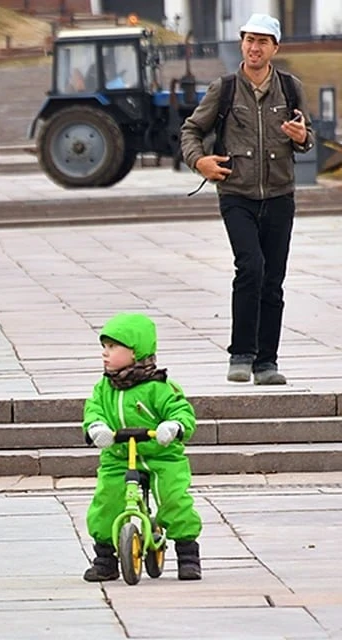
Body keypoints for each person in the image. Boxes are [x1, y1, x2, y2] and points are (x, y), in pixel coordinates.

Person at [180, 14, 313, 385]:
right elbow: (191, 129)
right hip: (236, 194)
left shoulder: (290, 88)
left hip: (280, 196)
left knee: (273, 279)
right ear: (242, 43)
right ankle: (240, 354)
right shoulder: (223, 89)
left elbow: (307, 138)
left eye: (263, 41)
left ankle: (266, 363)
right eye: (249, 40)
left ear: (275, 48)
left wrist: (301, 136)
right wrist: (199, 161)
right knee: (250, 267)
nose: (255, 48)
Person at [82, 312, 203, 582]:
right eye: (104, 347)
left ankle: (187, 553)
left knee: (174, 498)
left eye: (113, 347)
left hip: (161, 455)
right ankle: (105, 557)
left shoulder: (160, 387)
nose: (105, 353)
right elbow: (94, 410)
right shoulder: (104, 388)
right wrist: (96, 427)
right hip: (119, 455)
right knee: (107, 499)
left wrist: (174, 427)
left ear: (136, 352)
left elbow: (181, 410)